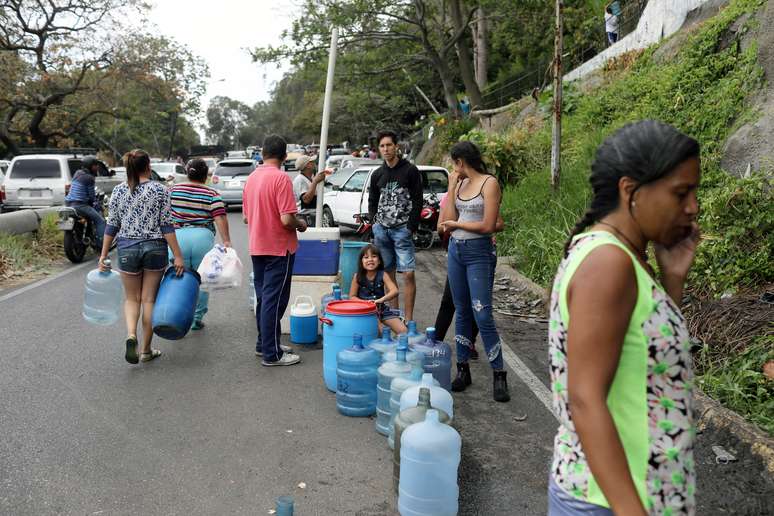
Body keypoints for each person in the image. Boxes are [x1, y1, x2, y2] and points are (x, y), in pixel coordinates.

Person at [548, 120, 700, 515]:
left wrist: (673, 281)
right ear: (630, 190)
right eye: (681, 192)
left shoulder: (624, 257)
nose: (693, 207)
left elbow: (642, 357)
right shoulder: (608, 263)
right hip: (612, 501)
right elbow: (585, 398)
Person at [99, 149, 185, 365]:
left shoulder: (118, 191)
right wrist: (178, 256)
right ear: (148, 166)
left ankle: (131, 334)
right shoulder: (160, 190)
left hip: (127, 248)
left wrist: (103, 255)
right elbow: (167, 226)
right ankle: (146, 350)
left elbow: (112, 225)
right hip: (155, 248)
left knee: (131, 299)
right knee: (149, 300)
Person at [438, 141, 509, 402]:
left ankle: (499, 373)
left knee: (482, 313)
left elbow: (490, 224)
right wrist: (450, 188)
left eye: (454, 164)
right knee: (462, 309)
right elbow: (446, 221)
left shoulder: (489, 183)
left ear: (460, 162)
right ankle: (463, 369)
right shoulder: (460, 185)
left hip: (479, 251)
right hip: (456, 249)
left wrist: (458, 223)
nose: (454, 169)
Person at [243, 134, 307, 366]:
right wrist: (301, 224)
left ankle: (266, 344)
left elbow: (245, 218)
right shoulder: (281, 179)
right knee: (275, 300)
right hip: (279, 249)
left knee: (264, 298)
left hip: (257, 246)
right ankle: (272, 354)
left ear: (262, 153)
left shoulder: (251, 179)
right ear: (284, 155)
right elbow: (286, 220)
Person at [434, 187, 506, 358]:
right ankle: (435, 343)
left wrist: (480, 229)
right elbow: (440, 228)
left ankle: (469, 344)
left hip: (482, 253)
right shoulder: (449, 196)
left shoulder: (484, 191)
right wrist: (459, 228)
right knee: (450, 301)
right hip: (458, 252)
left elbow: (498, 223)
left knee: (479, 305)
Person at [168, 158, 232, 330]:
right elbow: (219, 216)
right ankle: (196, 318)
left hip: (178, 238)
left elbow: (164, 215)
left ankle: (175, 316)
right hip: (202, 238)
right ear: (206, 176)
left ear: (188, 173)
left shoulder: (173, 189)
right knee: (202, 279)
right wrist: (226, 240)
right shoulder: (212, 193)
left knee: (177, 278)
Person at [368, 129, 423, 323]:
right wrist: (374, 222)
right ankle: (395, 318)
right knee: (388, 276)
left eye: (389, 145)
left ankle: (408, 320)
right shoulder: (377, 174)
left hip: (402, 229)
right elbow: (372, 200)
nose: (385, 149)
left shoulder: (410, 170)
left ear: (396, 146)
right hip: (381, 230)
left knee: (408, 274)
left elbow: (418, 200)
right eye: (382, 146)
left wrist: (411, 227)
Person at [348, 244, 408, 335]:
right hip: (365, 311)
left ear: (379, 261)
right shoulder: (357, 277)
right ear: (361, 262)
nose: (370, 259)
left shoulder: (383, 274)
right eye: (366, 257)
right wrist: (365, 303)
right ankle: (384, 345)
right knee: (382, 332)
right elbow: (352, 297)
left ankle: (399, 347)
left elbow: (395, 291)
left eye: (374, 256)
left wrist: (381, 300)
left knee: (403, 331)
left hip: (382, 309)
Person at [65, 156, 106, 249]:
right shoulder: (89, 178)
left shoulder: (77, 173)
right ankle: (101, 245)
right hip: (80, 205)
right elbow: (91, 196)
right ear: (91, 166)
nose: (97, 167)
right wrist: (97, 203)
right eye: (96, 165)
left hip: (68, 204)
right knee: (100, 221)